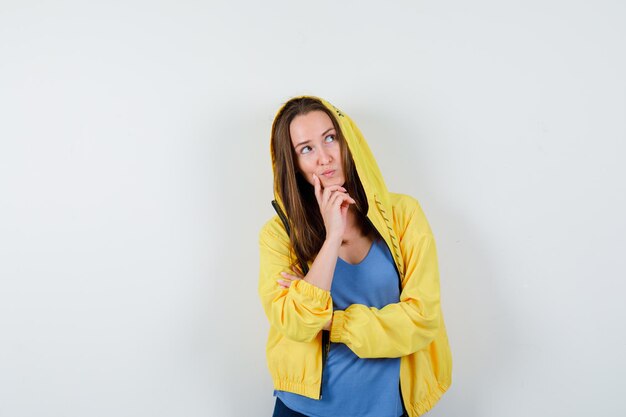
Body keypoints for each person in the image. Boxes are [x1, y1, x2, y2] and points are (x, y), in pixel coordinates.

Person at [258, 96, 452, 417]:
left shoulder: (403, 215)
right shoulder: (279, 235)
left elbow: (422, 319)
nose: (324, 158)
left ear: (347, 140)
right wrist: (332, 236)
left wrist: (334, 321)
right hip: (302, 409)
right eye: (306, 149)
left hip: (385, 408)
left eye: (330, 138)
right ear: (293, 163)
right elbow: (297, 324)